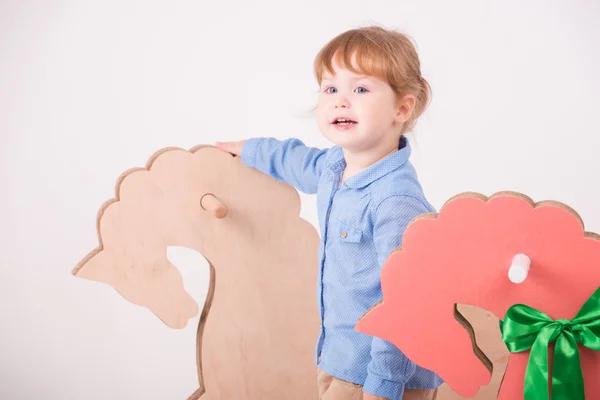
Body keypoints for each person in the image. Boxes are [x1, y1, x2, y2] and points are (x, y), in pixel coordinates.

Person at [216, 25, 443, 400]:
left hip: (381, 375)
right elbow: (297, 161)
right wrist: (250, 149)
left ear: (402, 108)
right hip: (339, 357)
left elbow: (407, 302)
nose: (340, 101)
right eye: (330, 88)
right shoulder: (334, 167)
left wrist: (384, 385)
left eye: (360, 89)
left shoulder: (395, 202)